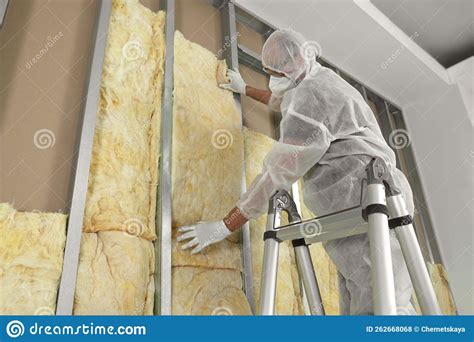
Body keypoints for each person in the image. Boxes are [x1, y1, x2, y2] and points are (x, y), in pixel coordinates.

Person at [177, 29, 416, 315]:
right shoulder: (318, 78)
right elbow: (287, 101)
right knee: (366, 300)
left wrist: (224, 225)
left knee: (384, 308)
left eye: (271, 72)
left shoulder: (312, 97)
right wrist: (245, 90)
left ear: (287, 69)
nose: (271, 78)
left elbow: (276, 174)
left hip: (364, 200)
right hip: (369, 200)